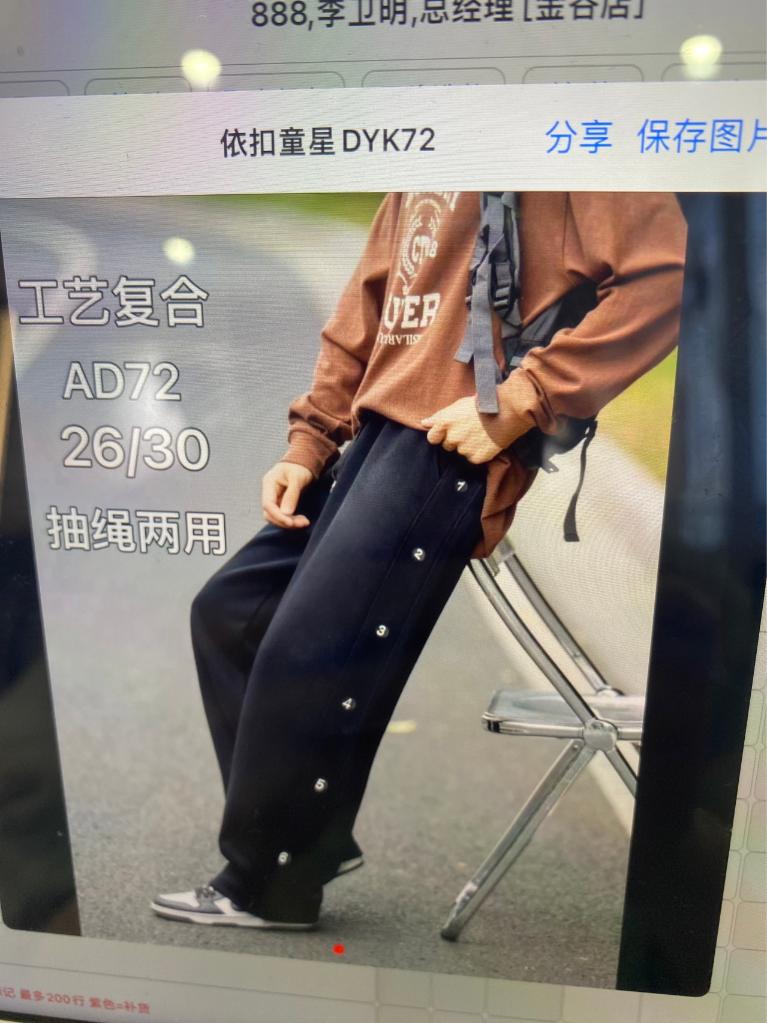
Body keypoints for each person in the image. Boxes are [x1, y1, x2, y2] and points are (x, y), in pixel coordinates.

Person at [151, 191, 687, 929]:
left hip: (450, 442)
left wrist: (521, 401)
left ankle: (270, 882)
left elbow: (665, 276)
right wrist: (310, 441)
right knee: (234, 612)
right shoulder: (427, 155)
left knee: (307, 649)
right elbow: (367, 304)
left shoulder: (564, 157)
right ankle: (307, 836)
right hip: (378, 429)